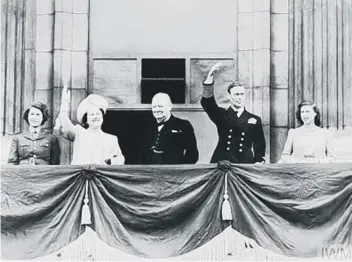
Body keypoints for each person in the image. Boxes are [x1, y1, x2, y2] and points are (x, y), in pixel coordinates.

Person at [201, 63, 266, 164]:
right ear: (228, 96)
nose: (239, 98)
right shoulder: (222, 115)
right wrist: (209, 78)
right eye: (236, 94)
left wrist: (258, 161)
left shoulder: (255, 119)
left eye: (242, 94)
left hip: (245, 163)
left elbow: (259, 144)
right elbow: (207, 103)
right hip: (222, 162)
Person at [54, 86, 124, 165]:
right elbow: (64, 125)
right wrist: (65, 103)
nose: (95, 117)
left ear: (102, 117)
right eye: (91, 114)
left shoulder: (111, 139)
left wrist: (111, 161)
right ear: (86, 119)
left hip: (102, 176)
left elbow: (120, 160)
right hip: (81, 176)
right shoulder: (79, 132)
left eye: (98, 114)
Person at [139, 92, 199, 164]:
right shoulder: (146, 127)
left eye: (160, 106)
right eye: (154, 107)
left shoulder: (184, 125)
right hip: (151, 173)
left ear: (169, 106)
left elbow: (193, 155)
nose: (157, 110)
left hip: (174, 173)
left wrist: (180, 171)